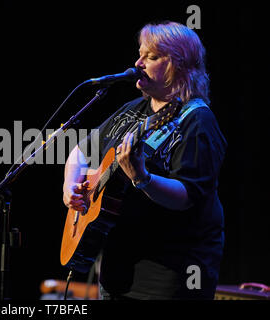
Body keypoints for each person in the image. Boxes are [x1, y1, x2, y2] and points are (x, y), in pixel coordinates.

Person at [63, 21, 226, 300]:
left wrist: (142, 178)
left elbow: (187, 195)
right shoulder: (131, 110)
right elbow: (80, 152)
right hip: (118, 269)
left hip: (169, 272)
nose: (138, 63)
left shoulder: (197, 121)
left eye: (150, 57)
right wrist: (70, 188)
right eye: (140, 54)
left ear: (179, 65)